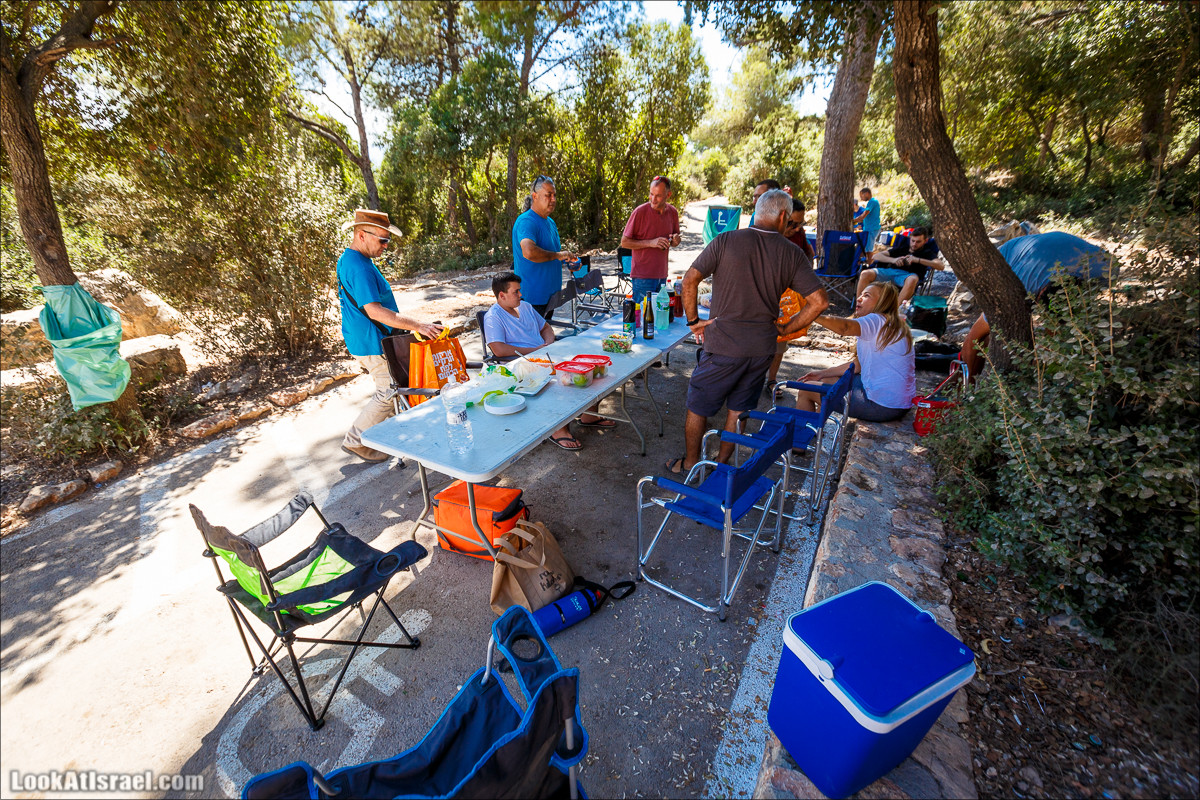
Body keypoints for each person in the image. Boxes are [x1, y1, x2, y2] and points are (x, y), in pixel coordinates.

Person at [670, 189, 829, 474]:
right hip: (761, 349)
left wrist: (693, 321)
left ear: (757, 210)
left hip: (722, 345)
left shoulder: (726, 240)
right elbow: (819, 302)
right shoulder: (791, 253)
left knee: (698, 406)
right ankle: (721, 467)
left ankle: (692, 463)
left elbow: (690, 280)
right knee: (738, 410)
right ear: (783, 216)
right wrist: (785, 328)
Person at [337, 209, 444, 462]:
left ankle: (394, 433)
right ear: (361, 235)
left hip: (365, 337)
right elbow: (374, 311)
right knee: (389, 391)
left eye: (388, 240)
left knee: (394, 386)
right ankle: (355, 441)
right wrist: (419, 325)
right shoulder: (359, 266)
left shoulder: (353, 259)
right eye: (382, 240)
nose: (386, 245)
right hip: (372, 340)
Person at [482, 273, 612, 450]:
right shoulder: (493, 317)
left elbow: (546, 328)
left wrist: (548, 344)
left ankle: (589, 414)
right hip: (522, 363)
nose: (521, 294)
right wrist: (537, 351)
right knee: (563, 380)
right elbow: (498, 349)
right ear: (501, 295)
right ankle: (558, 429)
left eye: (520, 290)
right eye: (516, 292)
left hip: (546, 355)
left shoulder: (525, 306)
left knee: (589, 367)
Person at [960, 231, 1115, 376]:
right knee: (988, 333)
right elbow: (974, 337)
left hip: (1055, 251)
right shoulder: (1016, 285)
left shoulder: (1105, 270)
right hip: (1010, 259)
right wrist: (968, 385)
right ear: (1039, 295)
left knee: (1056, 338)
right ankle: (964, 381)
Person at [798, 281, 915, 423]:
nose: (859, 298)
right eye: (861, 294)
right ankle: (816, 429)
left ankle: (801, 435)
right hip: (898, 403)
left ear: (881, 302)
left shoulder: (877, 320)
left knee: (806, 389)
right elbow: (858, 365)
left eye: (866, 296)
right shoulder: (891, 323)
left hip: (882, 405)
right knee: (823, 381)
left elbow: (845, 328)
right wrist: (822, 373)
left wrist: (811, 314)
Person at [766, 198, 817, 388]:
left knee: (780, 343)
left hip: (787, 299)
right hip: (764, 296)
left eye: (800, 224)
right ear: (781, 217)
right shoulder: (766, 234)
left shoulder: (798, 234)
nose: (797, 228)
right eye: (792, 223)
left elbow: (808, 253)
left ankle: (771, 380)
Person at [512, 175, 578, 320]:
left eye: (554, 195)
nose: (553, 199)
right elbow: (529, 252)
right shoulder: (526, 221)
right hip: (532, 300)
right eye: (548, 195)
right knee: (534, 336)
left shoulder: (551, 223)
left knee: (546, 335)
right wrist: (559, 255)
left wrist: (568, 261)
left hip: (551, 298)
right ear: (535, 196)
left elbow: (552, 255)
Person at [620, 176, 682, 302]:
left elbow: (674, 240)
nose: (653, 199)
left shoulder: (672, 212)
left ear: (668, 195)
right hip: (642, 277)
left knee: (661, 313)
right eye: (651, 194)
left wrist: (676, 241)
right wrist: (651, 243)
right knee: (643, 314)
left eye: (658, 196)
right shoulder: (639, 212)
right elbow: (624, 242)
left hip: (662, 276)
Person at [859, 225, 942, 304]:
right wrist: (894, 260)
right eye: (913, 241)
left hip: (908, 276)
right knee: (865, 273)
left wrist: (917, 260)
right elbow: (876, 256)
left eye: (918, 242)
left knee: (913, 279)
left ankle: (895, 310)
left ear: (925, 241)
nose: (914, 244)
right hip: (891, 272)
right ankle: (859, 306)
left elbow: (940, 266)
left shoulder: (927, 252)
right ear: (910, 238)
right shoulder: (903, 247)